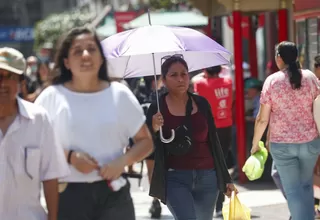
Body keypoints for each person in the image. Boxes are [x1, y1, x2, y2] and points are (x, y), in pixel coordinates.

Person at [35, 26, 153, 220]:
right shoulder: (50, 97)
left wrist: (122, 162)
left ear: (101, 58)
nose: (85, 55)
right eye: (77, 50)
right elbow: (35, 143)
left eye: (91, 48)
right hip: (68, 196)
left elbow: (146, 142)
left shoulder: (119, 93)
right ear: (66, 62)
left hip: (114, 195)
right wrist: (70, 157)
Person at [146, 55, 235, 220]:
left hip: (208, 177)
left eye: (184, 74)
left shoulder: (201, 103)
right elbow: (146, 144)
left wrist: (225, 178)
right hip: (174, 177)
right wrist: (153, 128)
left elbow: (213, 142)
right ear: (164, 80)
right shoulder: (157, 107)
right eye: (174, 75)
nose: (180, 79)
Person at [251, 41, 320, 220]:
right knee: (305, 186)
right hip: (310, 142)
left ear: (278, 58)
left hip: (282, 145)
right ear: (297, 57)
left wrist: (255, 144)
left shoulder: (272, 81)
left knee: (293, 190)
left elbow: (262, 118)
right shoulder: (311, 77)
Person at [0, 47, 69, 219]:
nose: (2, 84)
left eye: (10, 77)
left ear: (21, 83)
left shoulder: (39, 119)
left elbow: (50, 177)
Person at [192, 65, 233, 217]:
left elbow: (193, 81)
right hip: (226, 125)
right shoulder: (228, 81)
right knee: (221, 164)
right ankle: (220, 204)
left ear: (205, 71)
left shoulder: (201, 83)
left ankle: (217, 202)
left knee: (211, 165)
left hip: (208, 127)